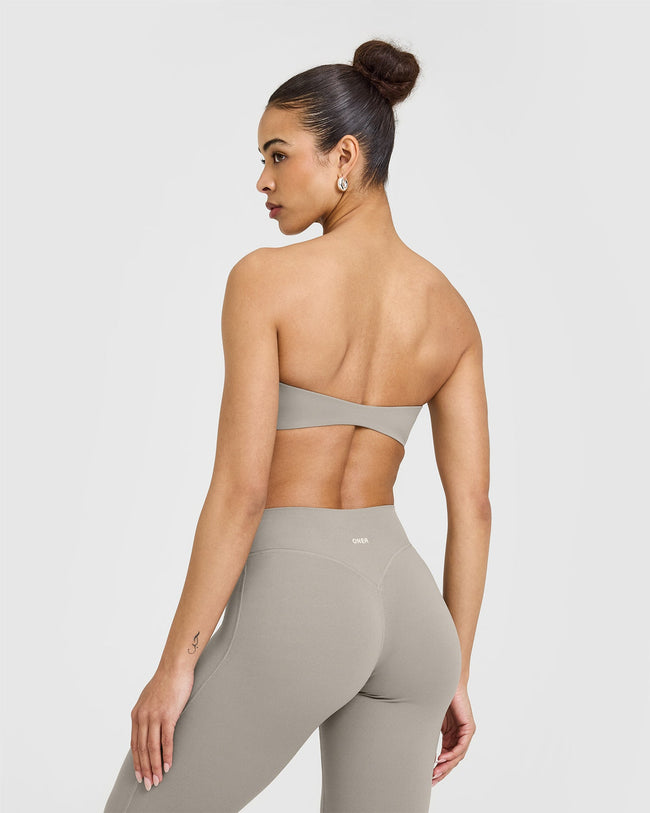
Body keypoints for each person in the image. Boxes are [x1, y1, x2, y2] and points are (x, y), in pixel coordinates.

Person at [103, 37, 491, 813]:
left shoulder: (264, 281)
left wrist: (176, 665)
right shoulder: (451, 311)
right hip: (413, 618)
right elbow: (474, 507)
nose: (263, 180)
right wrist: (455, 666)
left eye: (278, 156)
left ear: (344, 155)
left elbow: (242, 490)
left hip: (304, 600)